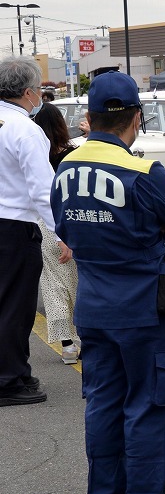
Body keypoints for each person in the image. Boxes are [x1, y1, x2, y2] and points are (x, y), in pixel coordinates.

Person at [51, 71, 165, 494]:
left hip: (95, 307)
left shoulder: (65, 170)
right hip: (146, 308)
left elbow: (65, 229)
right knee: (153, 403)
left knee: (103, 404)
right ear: (136, 117)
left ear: (88, 119)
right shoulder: (142, 171)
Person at [0, 56, 68, 406]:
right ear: (28, 92)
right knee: (16, 305)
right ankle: (9, 380)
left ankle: (15, 372)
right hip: (14, 226)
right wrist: (63, 233)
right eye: (39, 90)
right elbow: (44, 191)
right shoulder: (25, 129)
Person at [32, 104, 81, 363]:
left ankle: (67, 346)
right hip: (71, 224)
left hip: (44, 225)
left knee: (53, 287)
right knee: (77, 284)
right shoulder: (73, 155)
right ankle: (83, 337)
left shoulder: (36, 156)